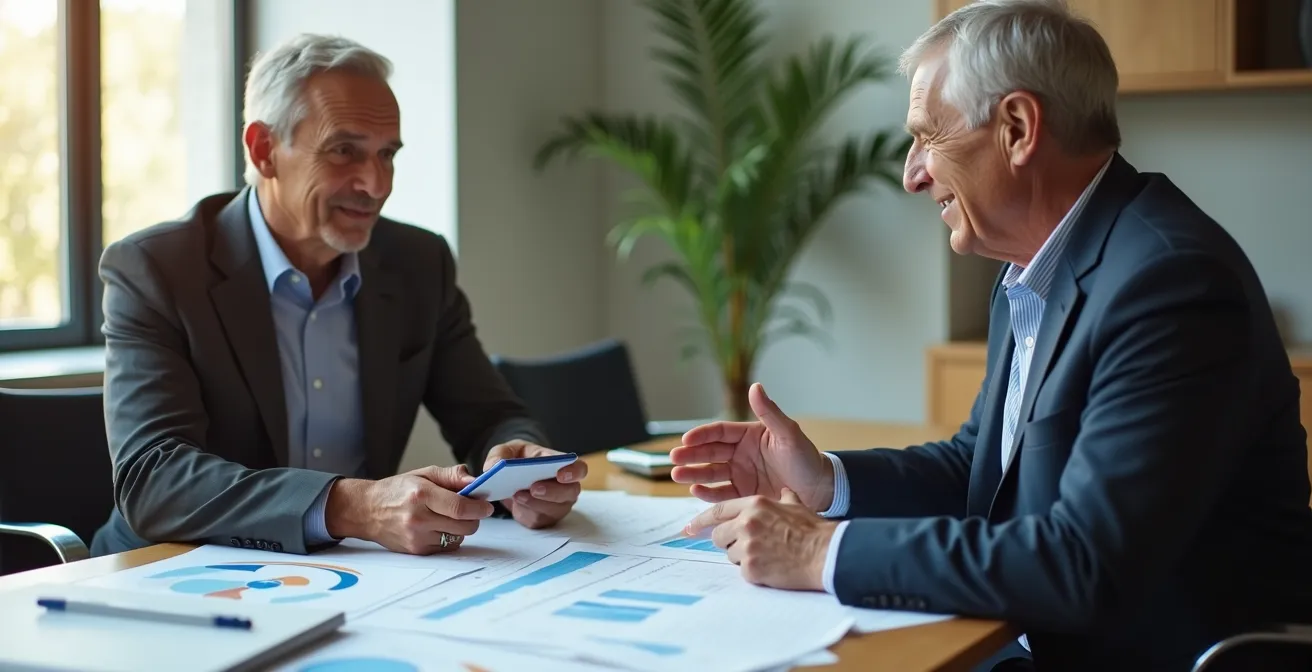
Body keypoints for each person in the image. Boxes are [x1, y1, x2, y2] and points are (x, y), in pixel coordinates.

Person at [674, 1, 1312, 669]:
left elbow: (1084, 564)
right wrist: (824, 483)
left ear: (1016, 127)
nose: (911, 173)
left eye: (927, 136)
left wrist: (817, 551)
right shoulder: (1033, 269)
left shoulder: (1170, 286)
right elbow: (982, 470)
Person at [92, 34, 585, 558]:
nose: (375, 184)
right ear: (263, 150)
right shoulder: (157, 269)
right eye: (343, 151)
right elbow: (153, 480)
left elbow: (488, 414)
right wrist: (353, 507)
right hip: (171, 572)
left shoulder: (418, 263)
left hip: (351, 577)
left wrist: (520, 470)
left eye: (387, 154)